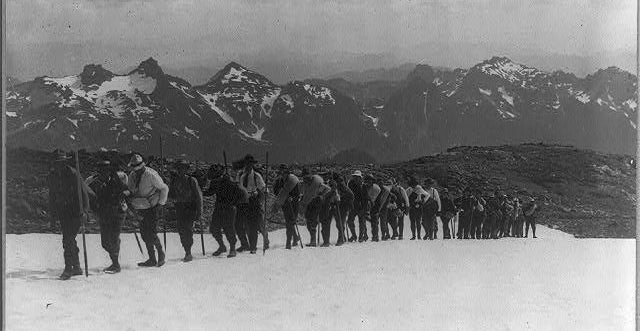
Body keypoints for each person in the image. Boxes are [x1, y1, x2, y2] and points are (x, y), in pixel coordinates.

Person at [47, 150, 90, 280]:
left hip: (76, 212)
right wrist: (53, 216)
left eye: (60, 163)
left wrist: (85, 212)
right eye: (56, 163)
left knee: (68, 240)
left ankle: (68, 268)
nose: (58, 165)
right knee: (70, 239)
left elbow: (84, 194)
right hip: (63, 212)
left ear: (64, 162)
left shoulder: (73, 174)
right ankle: (76, 267)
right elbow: (52, 196)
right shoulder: (51, 176)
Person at [86, 159, 129, 273]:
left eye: (106, 170)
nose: (104, 173)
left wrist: (123, 194)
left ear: (109, 171)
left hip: (118, 213)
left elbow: (127, 191)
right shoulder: (94, 182)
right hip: (104, 214)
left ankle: (116, 265)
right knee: (105, 243)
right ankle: (115, 256)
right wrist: (96, 211)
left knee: (113, 239)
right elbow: (90, 197)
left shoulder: (116, 180)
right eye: (101, 171)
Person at [127, 153, 169, 267]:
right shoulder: (132, 175)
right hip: (140, 207)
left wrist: (160, 204)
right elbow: (131, 190)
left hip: (152, 207)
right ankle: (152, 259)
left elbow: (164, 188)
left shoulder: (151, 175)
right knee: (144, 234)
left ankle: (160, 253)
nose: (136, 170)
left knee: (151, 232)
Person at [204, 164, 246, 256]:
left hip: (229, 209)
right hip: (218, 208)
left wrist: (234, 203)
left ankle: (232, 249)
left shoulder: (228, 181)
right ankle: (222, 246)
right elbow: (210, 192)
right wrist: (201, 192)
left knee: (229, 229)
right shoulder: (214, 182)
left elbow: (241, 193)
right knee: (214, 228)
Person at [169, 160, 203, 262]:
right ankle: (186, 249)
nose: (180, 171)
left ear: (186, 170)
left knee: (187, 229)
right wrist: (171, 198)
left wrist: (199, 210)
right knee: (181, 229)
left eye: (183, 168)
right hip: (179, 207)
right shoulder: (174, 181)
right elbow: (170, 194)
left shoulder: (191, 180)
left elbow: (198, 196)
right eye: (179, 168)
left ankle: (188, 252)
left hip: (190, 207)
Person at [236, 154, 268, 253]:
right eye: (247, 163)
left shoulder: (256, 176)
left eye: (250, 164)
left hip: (253, 201)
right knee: (238, 224)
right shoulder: (240, 174)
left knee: (253, 224)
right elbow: (237, 187)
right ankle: (245, 244)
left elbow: (263, 188)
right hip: (242, 201)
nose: (248, 166)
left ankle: (254, 246)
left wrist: (263, 192)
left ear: (252, 164)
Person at [299, 168, 331, 247]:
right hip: (310, 204)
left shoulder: (317, 181)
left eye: (307, 177)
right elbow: (304, 194)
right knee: (310, 222)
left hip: (321, 203)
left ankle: (326, 242)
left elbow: (328, 189)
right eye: (304, 177)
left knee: (324, 222)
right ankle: (313, 241)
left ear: (310, 176)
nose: (306, 178)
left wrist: (321, 195)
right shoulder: (304, 184)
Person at [272, 164, 301, 249]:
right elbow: (276, 192)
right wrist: (281, 192)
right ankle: (295, 237)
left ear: (287, 172)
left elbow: (297, 194)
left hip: (293, 205)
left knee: (290, 222)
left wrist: (292, 197)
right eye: (281, 172)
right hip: (285, 204)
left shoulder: (293, 180)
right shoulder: (279, 181)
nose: (283, 174)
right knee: (289, 222)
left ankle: (288, 242)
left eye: (284, 172)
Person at [320, 175, 342, 246]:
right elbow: (323, 196)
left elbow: (337, 198)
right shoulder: (325, 187)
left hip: (335, 206)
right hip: (328, 207)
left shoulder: (335, 189)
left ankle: (340, 239)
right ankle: (326, 241)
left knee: (339, 224)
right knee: (326, 224)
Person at [347, 170, 366, 242]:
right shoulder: (350, 185)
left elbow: (365, 198)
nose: (356, 178)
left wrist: (364, 208)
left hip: (361, 207)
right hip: (353, 206)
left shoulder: (363, 185)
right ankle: (354, 236)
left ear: (360, 178)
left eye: (357, 177)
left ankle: (361, 236)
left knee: (362, 222)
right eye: (355, 177)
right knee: (350, 221)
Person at [335, 174, 354, 243]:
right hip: (339, 207)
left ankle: (341, 238)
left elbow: (351, 195)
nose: (339, 182)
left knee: (340, 223)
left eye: (340, 181)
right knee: (339, 223)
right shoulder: (337, 187)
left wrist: (344, 199)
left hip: (344, 207)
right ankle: (343, 237)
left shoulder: (344, 187)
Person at [363, 174, 382, 242]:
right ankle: (364, 235)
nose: (368, 182)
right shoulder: (364, 187)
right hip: (366, 205)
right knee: (363, 221)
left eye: (369, 181)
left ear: (372, 181)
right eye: (366, 181)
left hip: (375, 206)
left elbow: (374, 200)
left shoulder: (376, 188)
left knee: (374, 222)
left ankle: (375, 236)